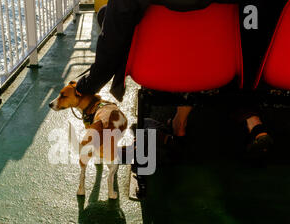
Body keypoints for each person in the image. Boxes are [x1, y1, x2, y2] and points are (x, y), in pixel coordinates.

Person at [75, 0, 288, 159]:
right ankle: (249, 116)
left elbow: (112, 43)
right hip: (214, 66)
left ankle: (177, 123)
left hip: (157, 68)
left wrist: (88, 85)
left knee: (108, 15)